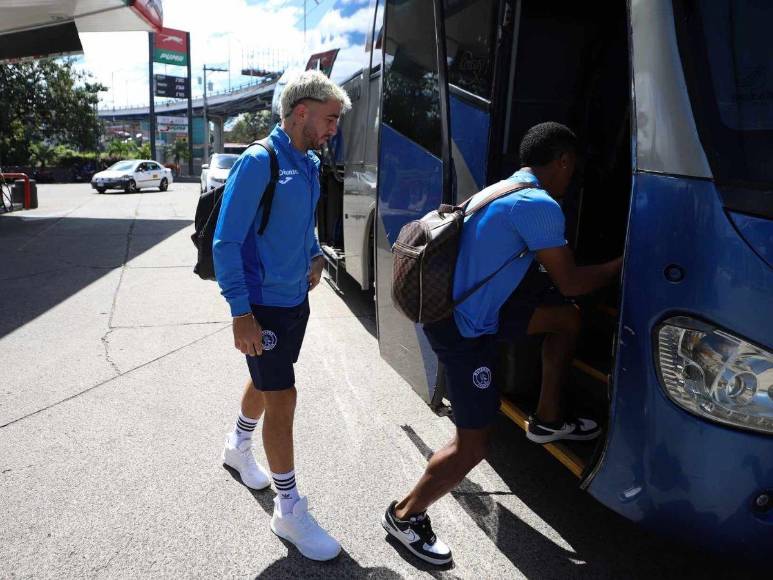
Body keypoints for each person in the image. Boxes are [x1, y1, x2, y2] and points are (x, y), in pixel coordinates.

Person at [381, 122, 622, 565]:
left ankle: (547, 420)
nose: (573, 179)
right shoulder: (539, 205)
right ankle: (404, 515)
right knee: (473, 446)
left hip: (467, 307)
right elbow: (570, 280)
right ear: (563, 161)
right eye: (573, 169)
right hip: (463, 329)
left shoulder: (501, 189)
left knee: (565, 321)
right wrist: (621, 265)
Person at [213, 70, 351, 562]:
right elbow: (226, 241)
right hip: (263, 305)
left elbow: (303, 225)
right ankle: (288, 508)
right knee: (283, 394)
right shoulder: (258, 161)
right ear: (301, 114)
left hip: (296, 301)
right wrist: (240, 312)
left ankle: (237, 445)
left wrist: (315, 255)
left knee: (269, 380)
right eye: (330, 118)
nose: (334, 128)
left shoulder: (310, 162)